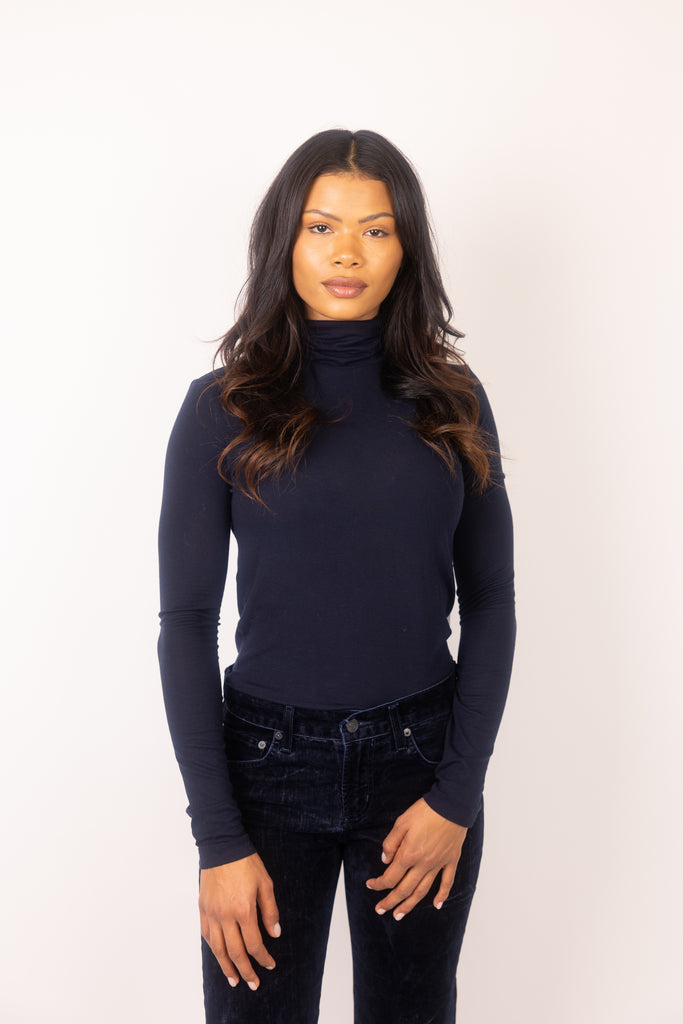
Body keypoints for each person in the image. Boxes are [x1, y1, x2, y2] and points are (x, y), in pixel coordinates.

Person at [157, 128, 516, 1024]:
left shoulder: (452, 400)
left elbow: (492, 600)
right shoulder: (221, 408)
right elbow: (185, 623)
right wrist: (218, 839)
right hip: (265, 772)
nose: (347, 252)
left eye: (375, 229)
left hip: (419, 768)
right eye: (321, 227)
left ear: (406, 248)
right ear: (285, 239)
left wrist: (455, 795)